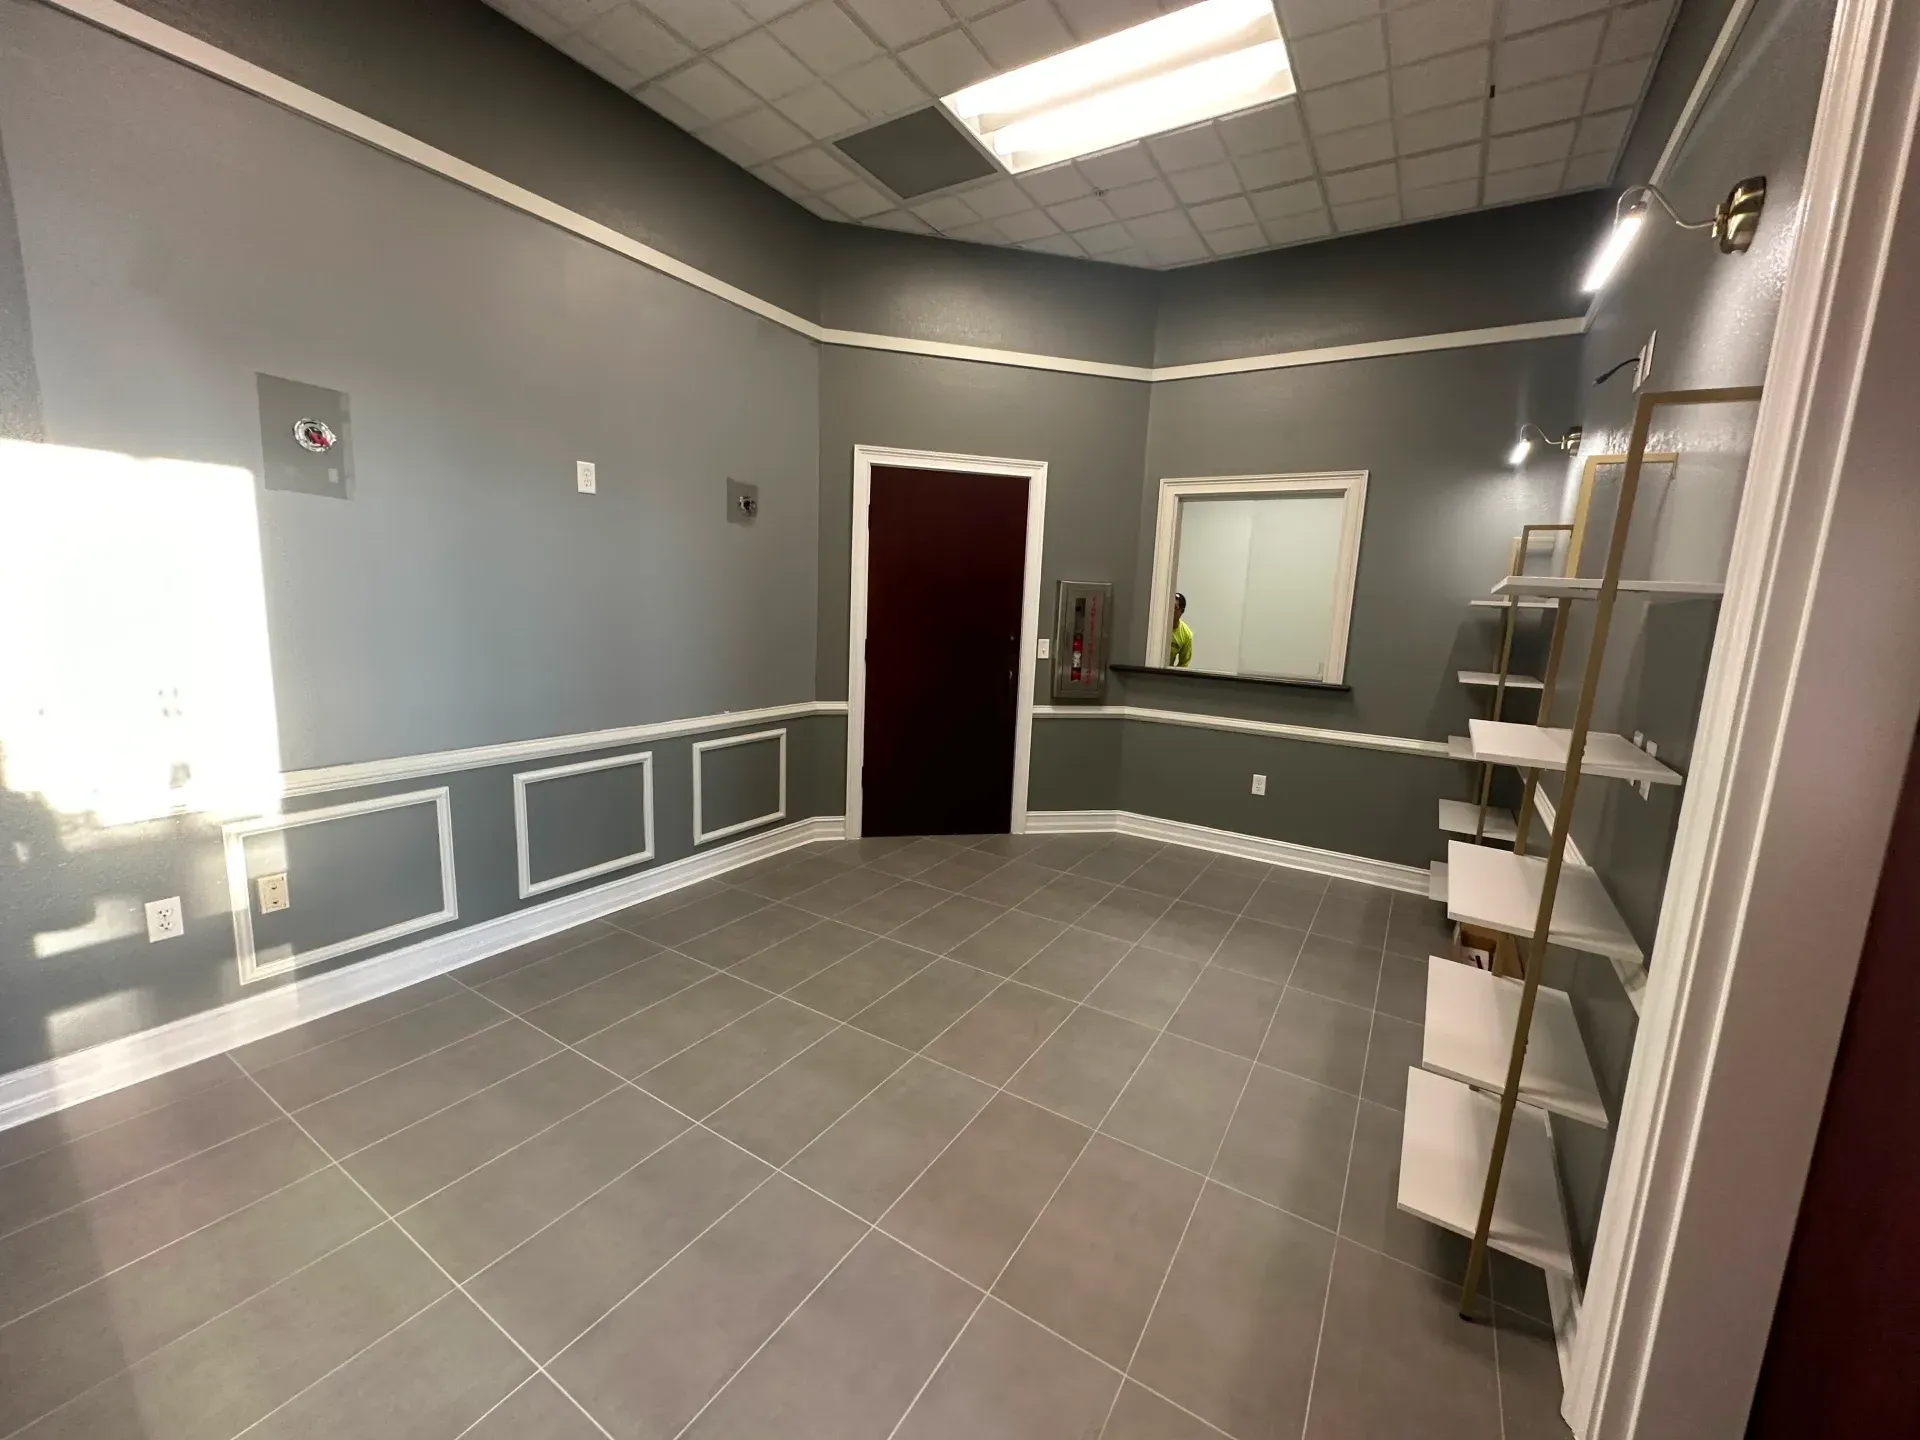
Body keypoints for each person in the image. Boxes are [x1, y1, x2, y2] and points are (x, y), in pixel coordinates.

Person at [1169, 592, 1193, 668]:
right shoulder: (1157, 626)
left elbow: (1184, 664)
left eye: (1174, 608)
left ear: (1181, 611)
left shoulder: (1186, 634)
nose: (1170, 610)